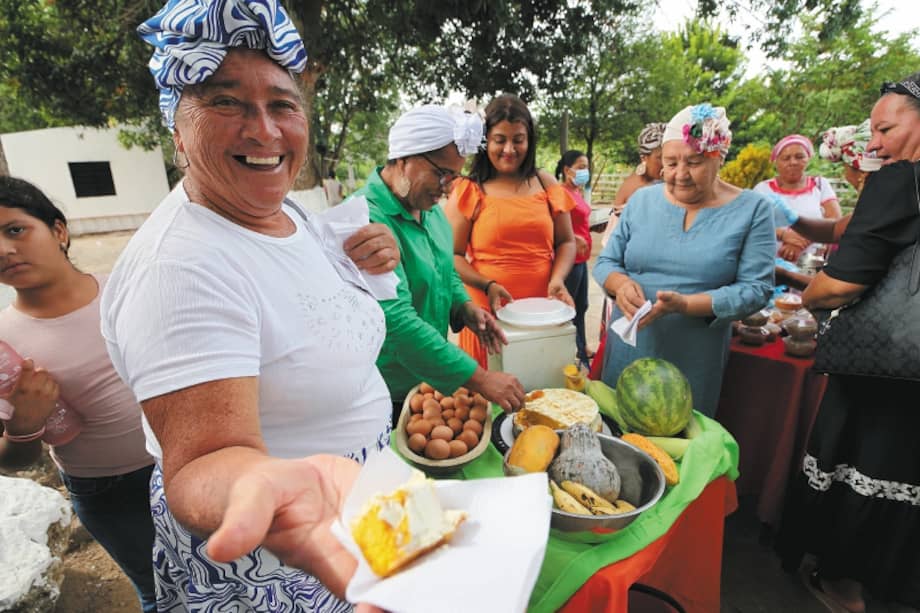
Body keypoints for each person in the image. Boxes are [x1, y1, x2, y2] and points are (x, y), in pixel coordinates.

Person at [103, 2, 401, 610]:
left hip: (355, 500)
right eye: (226, 101)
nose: (264, 130)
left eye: (282, 104)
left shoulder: (279, 208)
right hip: (280, 540)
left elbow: (302, 293)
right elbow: (203, 464)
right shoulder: (181, 269)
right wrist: (261, 483)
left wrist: (368, 255)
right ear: (177, 130)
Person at [776, 72, 920, 613]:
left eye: (885, 128)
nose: (875, 143)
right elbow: (856, 228)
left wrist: (808, 293)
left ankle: (842, 585)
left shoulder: (901, 178)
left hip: (886, 370)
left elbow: (842, 282)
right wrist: (800, 224)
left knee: (866, 466)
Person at [0, 177, 157, 612]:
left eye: (15, 230)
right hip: (110, 492)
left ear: (59, 231)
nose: (4, 249)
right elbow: (12, 460)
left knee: (229, 572)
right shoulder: (4, 343)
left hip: (185, 459)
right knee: (159, 591)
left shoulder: (128, 289)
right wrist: (25, 426)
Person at [592, 104, 775, 417]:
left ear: (718, 157)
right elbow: (606, 262)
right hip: (630, 347)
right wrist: (620, 284)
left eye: (694, 162)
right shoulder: (642, 200)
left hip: (694, 356)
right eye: (670, 162)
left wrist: (688, 305)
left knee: (678, 440)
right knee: (618, 437)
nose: (679, 175)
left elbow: (757, 289)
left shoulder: (753, 210)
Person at [357, 105, 526, 425]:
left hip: (425, 381)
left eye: (455, 176)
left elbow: (444, 269)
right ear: (405, 159)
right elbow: (396, 321)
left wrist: (464, 308)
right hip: (383, 389)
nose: (448, 188)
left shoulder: (430, 210)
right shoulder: (365, 219)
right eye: (441, 174)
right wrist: (480, 379)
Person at [445, 93, 576, 368]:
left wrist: (558, 279)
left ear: (529, 140)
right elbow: (451, 257)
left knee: (539, 393)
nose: (509, 150)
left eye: (518, 140)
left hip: (540, 317)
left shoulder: (545, 183)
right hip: (487, 318)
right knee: (490, 400)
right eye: (499, 140)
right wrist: (488, 285)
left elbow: (566, 242)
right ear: (485, 141)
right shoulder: (470, 189)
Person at [772, 119, 882, 289]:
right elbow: (834, 229)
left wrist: (786, 276)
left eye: (845, 166)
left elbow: (838, 289)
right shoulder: (883, 203)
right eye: (786, 158)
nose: (792, 163)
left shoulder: (878, 214)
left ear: (861, 171)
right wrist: (793, 220)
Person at [754, 134, 842, 262]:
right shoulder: (762, 189)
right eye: (786, 158)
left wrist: (798, 242)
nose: (793, 162)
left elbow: (835, 220)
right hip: (770, 264)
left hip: (813, 264)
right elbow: (753, 224)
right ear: (776, 161)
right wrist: (784, 235)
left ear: (808, 159)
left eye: (799, 157)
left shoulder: (820, 185)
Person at [555, 149, 594, 367]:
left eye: (586, 167)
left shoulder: (577, 192)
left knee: (583, 305)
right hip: (570, 261)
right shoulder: (561, 193)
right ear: (567, 170)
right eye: (580, 167)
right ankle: (575, 354)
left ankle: (582, 346)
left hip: (583, 258)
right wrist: (574, 237)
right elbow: (555, 225)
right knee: (570, 309)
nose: (584, 171)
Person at [603, 122, 668, 244]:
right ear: (644, 157)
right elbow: (613, 240)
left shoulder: (670, 183)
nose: (665, 163)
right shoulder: (631, 187)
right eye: (659, 157)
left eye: (669, 157)